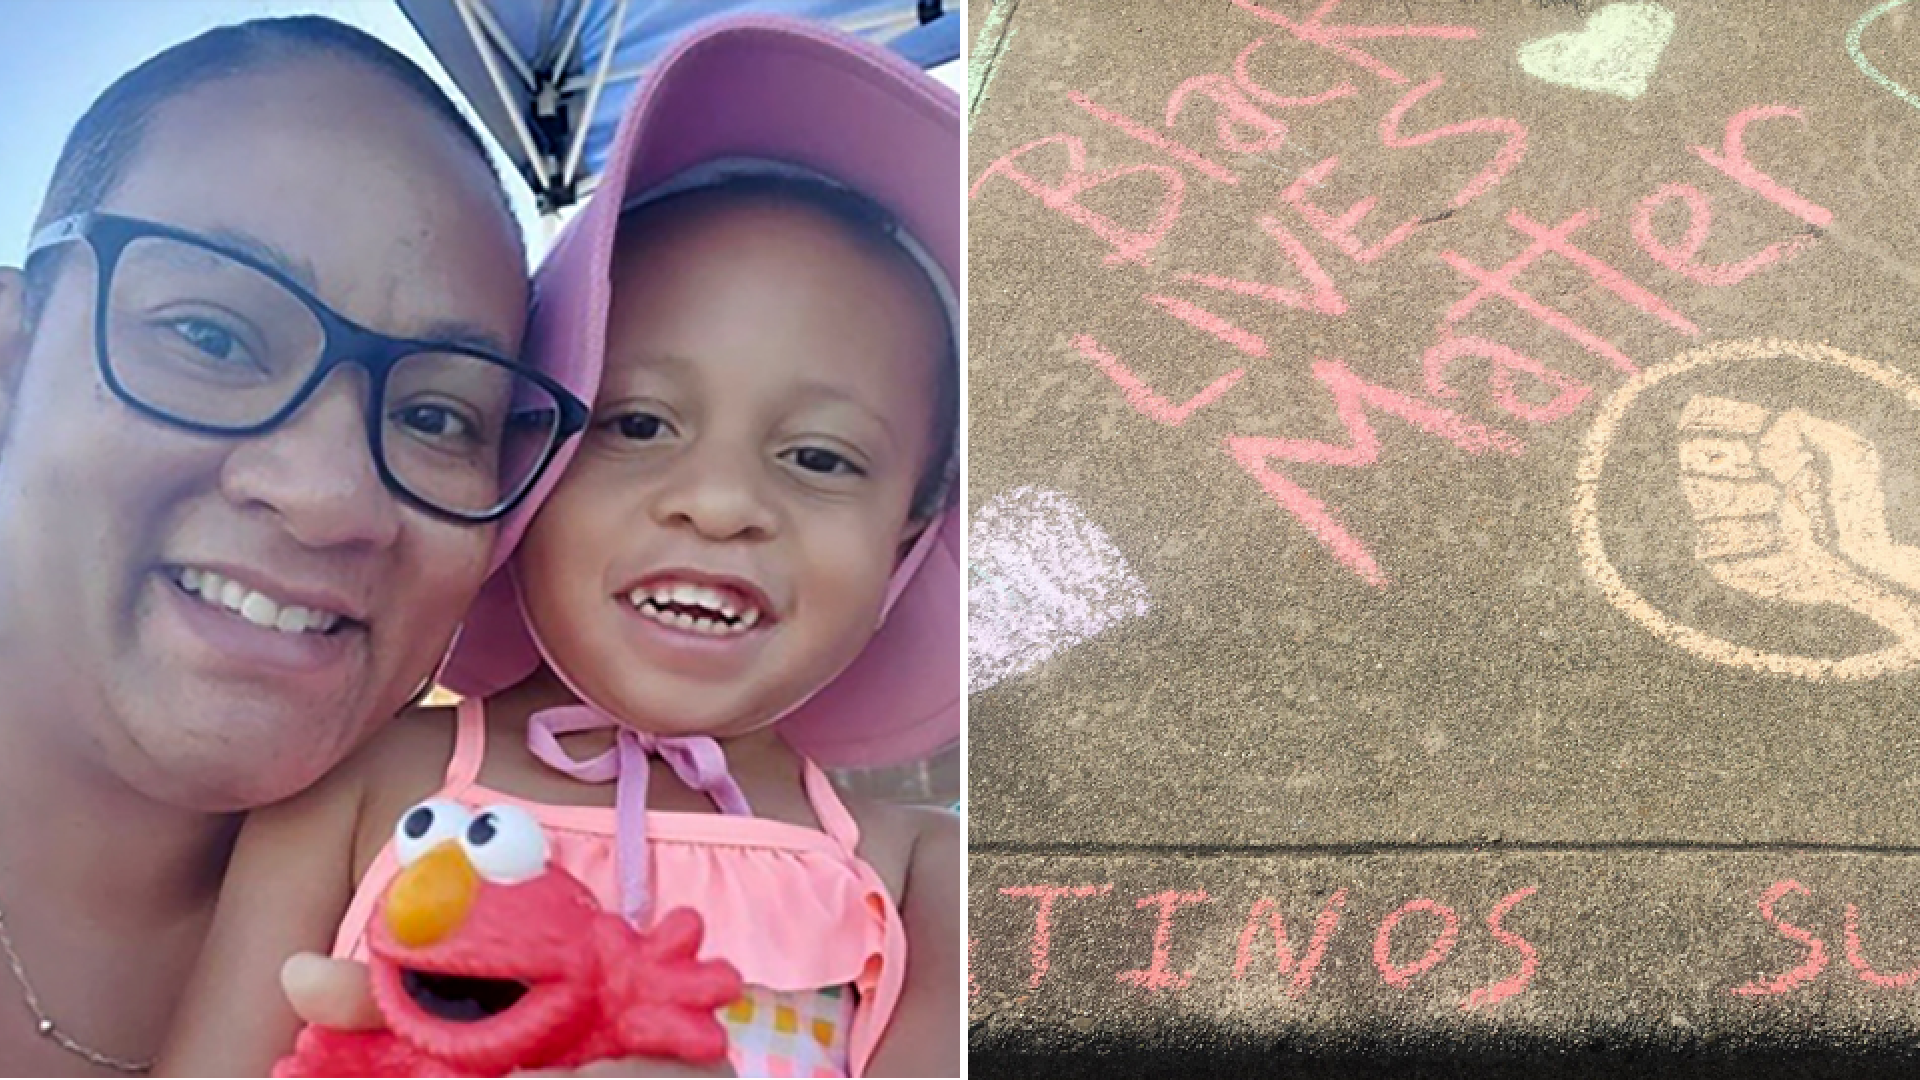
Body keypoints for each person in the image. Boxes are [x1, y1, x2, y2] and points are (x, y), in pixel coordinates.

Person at [158, 15, 962, 1079]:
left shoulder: (921, 878)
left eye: (819, 458)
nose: (721, 505)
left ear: (908, 532)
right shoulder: (356, 788)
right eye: (636, 424)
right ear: (527, 446)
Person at [0, 16, 594, 1076]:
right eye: (212, 337)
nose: (329, 498)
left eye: (437, 417)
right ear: (11, 364)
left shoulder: (554, 942)